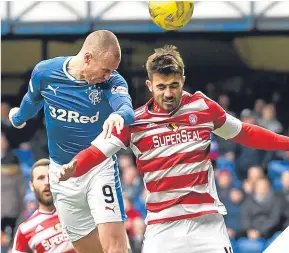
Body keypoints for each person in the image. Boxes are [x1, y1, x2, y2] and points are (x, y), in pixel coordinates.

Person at [59, 45, 289, 253]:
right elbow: (97, 151)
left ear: (183, 80)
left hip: (207, 224)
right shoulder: (133, 122)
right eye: (161, 87)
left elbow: (245, 133)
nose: (168, 94)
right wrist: (73, 167)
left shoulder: (203, 107)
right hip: (162, 227)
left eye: (174, 86)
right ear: (149, 85)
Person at [9, 30, 135, 253]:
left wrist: (119, 115)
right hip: (62, 174)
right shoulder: (45, 73)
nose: (108, 76)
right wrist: (18, 118)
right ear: (87, 57)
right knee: (87, 249)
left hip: (99, 168)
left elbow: (126, 106)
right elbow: (32, 100)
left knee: (115, 246)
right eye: (105, 70)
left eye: (112, 71)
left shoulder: (111, 82)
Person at [12, 159, 76, 253]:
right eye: (41, 178)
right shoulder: (25, 230)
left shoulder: (78, 208)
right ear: (31, 186)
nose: (47, 182)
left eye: (51, 176)